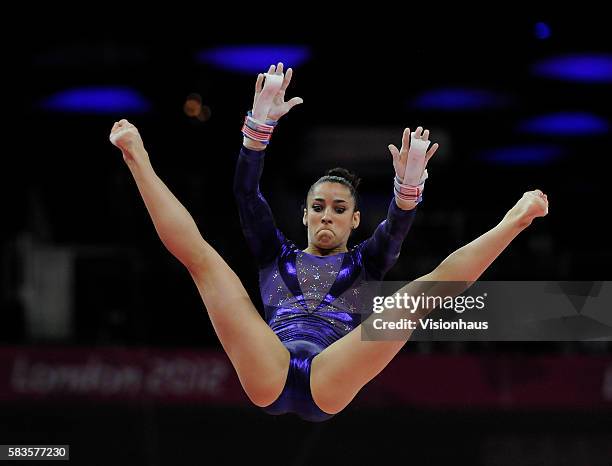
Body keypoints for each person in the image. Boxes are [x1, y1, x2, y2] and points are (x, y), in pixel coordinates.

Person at [109, 63, 548, 422]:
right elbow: (246, 194)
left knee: (420, 296)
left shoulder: (367, 263)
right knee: (203, 260)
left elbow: (395, 230)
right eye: (318, 206)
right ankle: (137, 158)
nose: (326, 215)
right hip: (271, 364)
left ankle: (512, 222)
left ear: (355, 220)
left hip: (328, 377)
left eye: (339, 209)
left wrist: (407, 190)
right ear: (303, 213)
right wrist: (257, 132)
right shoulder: (273, 252)